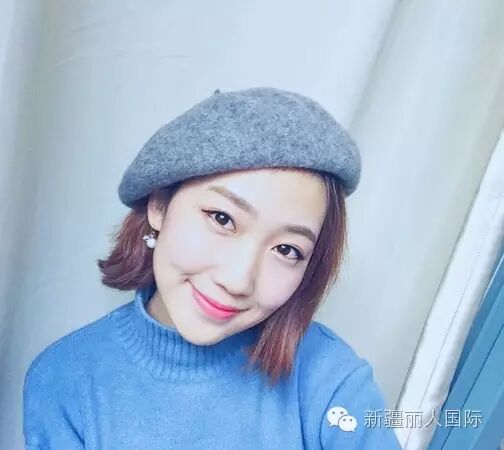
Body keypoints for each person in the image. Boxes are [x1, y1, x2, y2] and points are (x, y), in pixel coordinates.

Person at [23, 87, 402, 449]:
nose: (237, 280)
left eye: (287, 249)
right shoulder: (65, 379)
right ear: (159, 205)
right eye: (222, 219)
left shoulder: (331, 380)